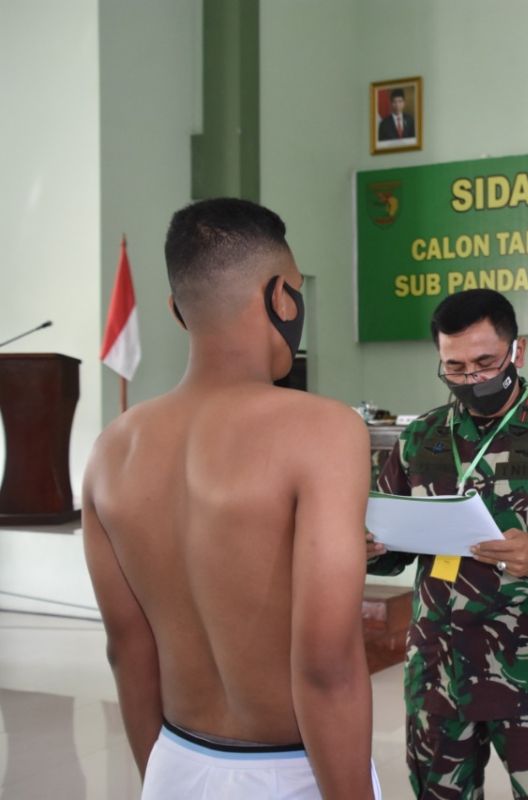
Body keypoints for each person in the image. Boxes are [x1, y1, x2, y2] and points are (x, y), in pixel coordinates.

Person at [82, 198, 379, 799]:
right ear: (282, 299)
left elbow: (127, 650)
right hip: (296, 771)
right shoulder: (323, 430)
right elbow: (327, 668)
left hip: (176, 760)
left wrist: (162, 779)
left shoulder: (113, 449)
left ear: (176, 311)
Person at [365, 288, 528, 799]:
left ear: (518, 352)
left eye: (486, 363)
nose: (472, 379)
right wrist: (374, 546)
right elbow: (396, 542)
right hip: (437, 677)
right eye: (455, 367)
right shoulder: (421, 437)